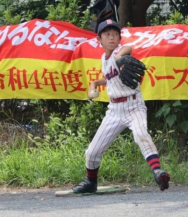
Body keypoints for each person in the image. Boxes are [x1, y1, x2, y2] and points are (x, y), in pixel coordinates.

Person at [73, 19, 171, 193]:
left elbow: (128, 49)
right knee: (92, 152)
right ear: (99, 39)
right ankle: (90, 182)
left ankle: (158, 172)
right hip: (114, 110)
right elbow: (109, 78)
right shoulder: (104, 57)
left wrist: (120, 57)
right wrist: (95, 83)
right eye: (107, 34)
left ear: (119, 38)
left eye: (115, 34)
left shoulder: (120, 51)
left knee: (141, 134)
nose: (112, 38)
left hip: (134, 105)